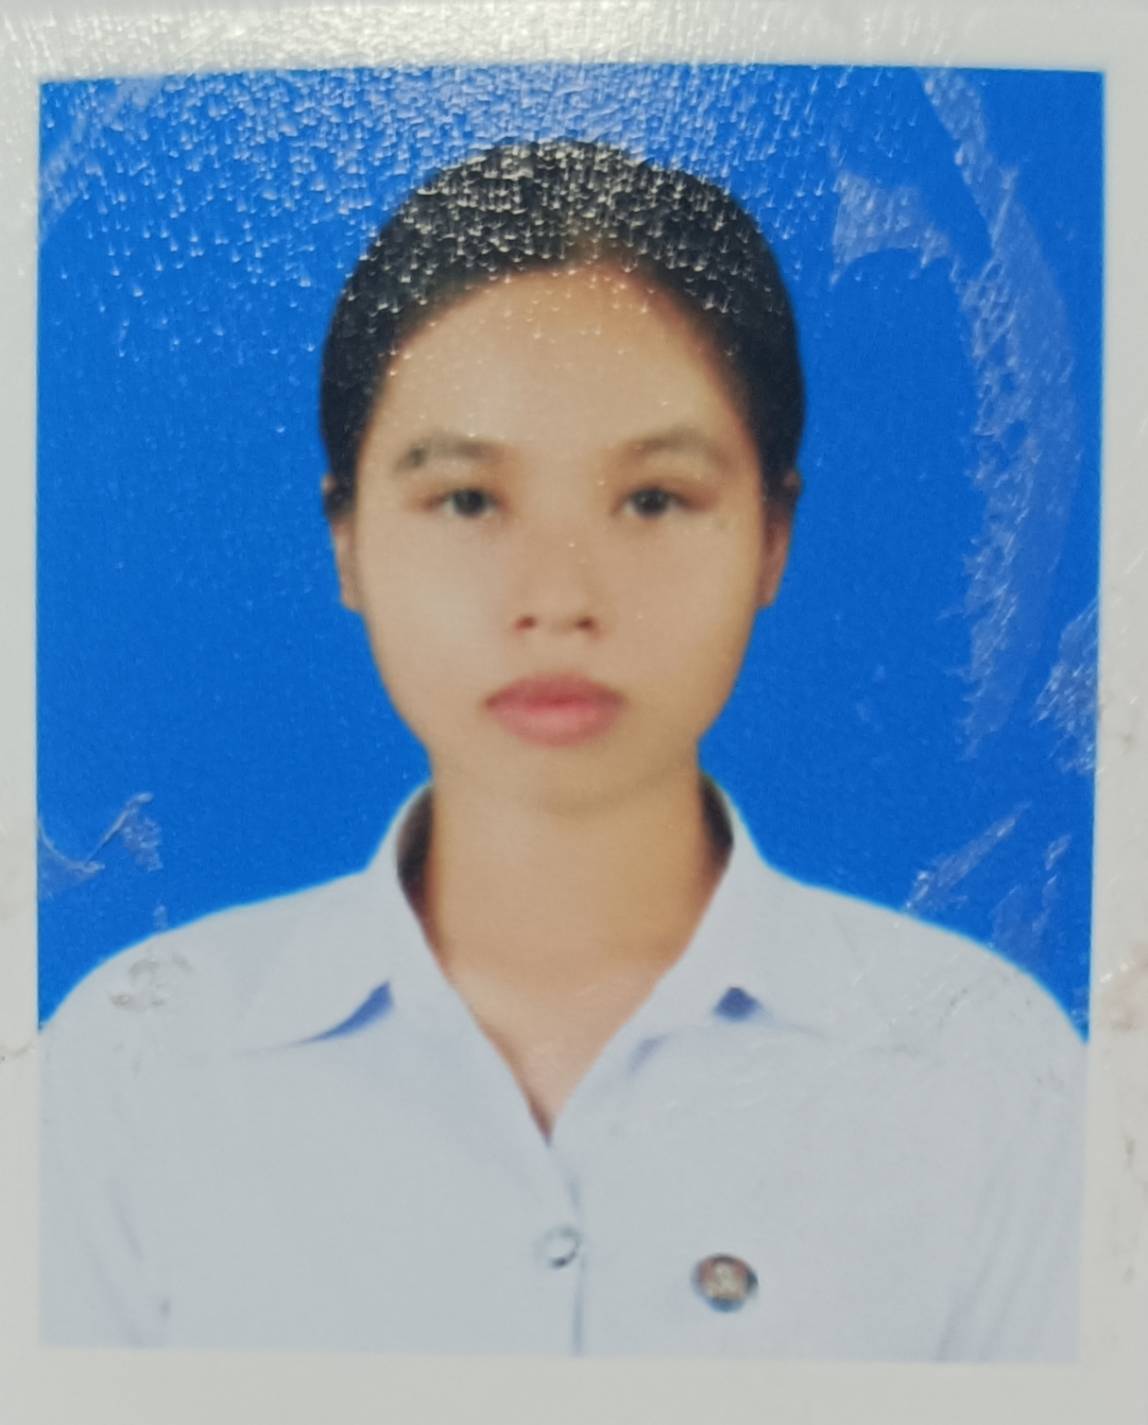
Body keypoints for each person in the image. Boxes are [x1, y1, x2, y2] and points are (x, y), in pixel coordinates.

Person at [40, 140, 1083, 1357]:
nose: (557, 600)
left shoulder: (982, 1072)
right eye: (466, 500)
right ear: (346, 540)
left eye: (652, 499)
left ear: (771, 535)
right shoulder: (136, 1066)